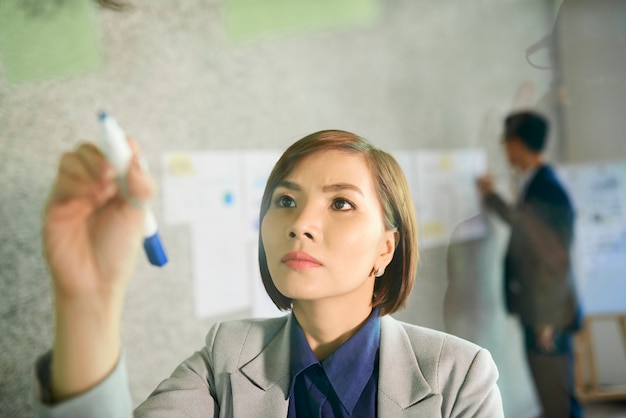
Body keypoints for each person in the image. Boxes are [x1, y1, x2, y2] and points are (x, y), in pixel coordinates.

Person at [35, 129, 504, 417]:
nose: (300, 224)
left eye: (341, 203)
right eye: (286, 201)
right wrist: (86, 301)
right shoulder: (226, 357)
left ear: (386, 247)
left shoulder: (459, 377)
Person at [476, 111, 583, 418]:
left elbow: (555, 257)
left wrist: (547, 322)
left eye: (506, 142)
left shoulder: (546, 189)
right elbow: (525, 228)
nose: (504, 150)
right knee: (552, 397)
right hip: (541, 311)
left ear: (517, 143)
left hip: (548, 315)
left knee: (557, 401)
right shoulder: (538, 184)